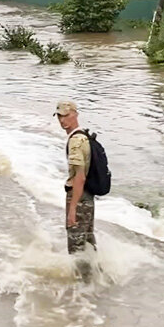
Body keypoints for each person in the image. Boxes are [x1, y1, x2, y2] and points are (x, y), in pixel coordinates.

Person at [54, 100, 95, 253]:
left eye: (66, 115)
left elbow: (80, 177)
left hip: (79, 197)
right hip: (88, 196)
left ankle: (82, 277)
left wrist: (72, 209)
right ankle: (98, 276)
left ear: (75, 114)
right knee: (88, 243)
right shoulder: (85, 135)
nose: (62, 120)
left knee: (76, 249)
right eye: (59, 116)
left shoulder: (75, 141)